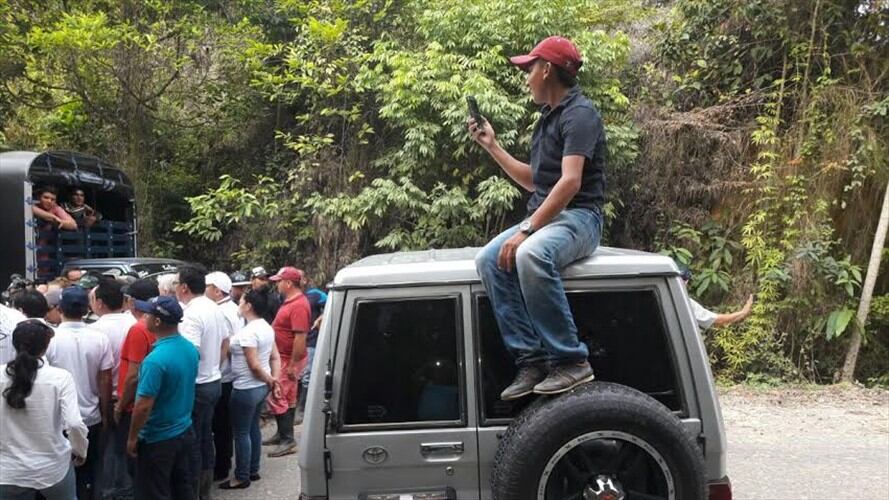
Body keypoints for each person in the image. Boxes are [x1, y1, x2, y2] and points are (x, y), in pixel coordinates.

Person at [469, 36, 607, 399]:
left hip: (581, 218)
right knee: (488, 260)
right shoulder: (547, 119)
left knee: (530, 253)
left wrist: (527, 229)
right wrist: (491, 146)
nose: (526, 76)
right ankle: (531, 359)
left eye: (529, 68)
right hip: (551, 216)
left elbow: (571, 183)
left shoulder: (581, 115)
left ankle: (571, 360)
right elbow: (536, 182)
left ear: (547, 69)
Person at [0, 320, 88, 500]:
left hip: (8, 471)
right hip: (52, 468)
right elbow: (74, 423)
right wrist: (80, 450)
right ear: (46, 346)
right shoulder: (60, 378)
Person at [126, 296, 199, 500]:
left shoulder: (154, 361)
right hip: (184, 430)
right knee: (181, 487)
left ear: (157, 321)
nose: (144, 317)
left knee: (154, 491)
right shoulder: (189, 349)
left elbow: (143, 406)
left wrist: (132, 438)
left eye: (147, 314)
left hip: (158, 438)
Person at [45, 286, 113, 500]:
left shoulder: (50, 339)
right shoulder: (100, 339)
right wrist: (104, 414)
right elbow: (105, 379)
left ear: (60, 308)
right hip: (90, 417)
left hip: (57, 420)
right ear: (86, 309)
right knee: (90, 471)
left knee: (59, 475)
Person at [219, 289, 282, 490]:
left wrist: (272, 381)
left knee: (241, 432)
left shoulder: (248, 333)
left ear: (249, 306)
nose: (239, 304)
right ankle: (253, 469)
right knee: (253, 427)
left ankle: (242, 476)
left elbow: (254, 366)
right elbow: (274, 357)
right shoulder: (265, 327)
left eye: (242, 301)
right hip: (260, 387)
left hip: (245, 387)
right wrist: (273, 380)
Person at [176, 264, 229, 499]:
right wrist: (215, 366)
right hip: (214, 380)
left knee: (193, 442)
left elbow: (191, 353)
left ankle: (196, 492)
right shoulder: (213, 307)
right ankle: (205, 490)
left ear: (184, 287)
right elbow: (225, 342)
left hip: (198, 384)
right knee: (206, 436)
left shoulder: (191, 313)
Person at [89, 278, 137, 499]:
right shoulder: (135, 325)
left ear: (99, 302)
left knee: (106, 451)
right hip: (133, 396)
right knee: (127, 450)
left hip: (104, 398)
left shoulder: (94, 331)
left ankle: (107, 492)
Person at [113, 278, 161, 494]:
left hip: (134, 405)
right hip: (154, 399)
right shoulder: (159, 323)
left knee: (133, 460)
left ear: (132, 302)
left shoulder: (138, 329)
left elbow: (133, 375)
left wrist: (119, 406)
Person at [263, 266, 311, 457]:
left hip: (287, 358)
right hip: (284, 357)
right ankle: (283, 434)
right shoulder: (291, 301)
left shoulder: (298, 305)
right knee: (288, 397)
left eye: (279, 281)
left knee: (277, 395)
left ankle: (287, 439)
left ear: (289, 283)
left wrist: (292, 364)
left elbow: (300, 338)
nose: (277, 285)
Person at [205, 271, 242, 481]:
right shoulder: (230, 308)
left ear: (217, 291)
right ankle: (224, 462)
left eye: (207, 287)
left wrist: (215, 366)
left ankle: (221, 466)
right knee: (224, 423)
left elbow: (225, 345)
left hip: (223, 374)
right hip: (228, 373)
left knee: (220, 424)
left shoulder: (223, 312)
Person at [680, 268, 754, 330]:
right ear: (686, 282)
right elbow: (717, 320)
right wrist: (743, 313)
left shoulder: (683, 301)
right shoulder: (684, 302)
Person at [296, 284, 327, 423]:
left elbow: (333, 302)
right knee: (298, 375)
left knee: (307, 375)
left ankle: (303, 410)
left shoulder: (314, 294)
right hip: (297, 341)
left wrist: (321, 317)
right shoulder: (289, 297)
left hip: (311, 340)